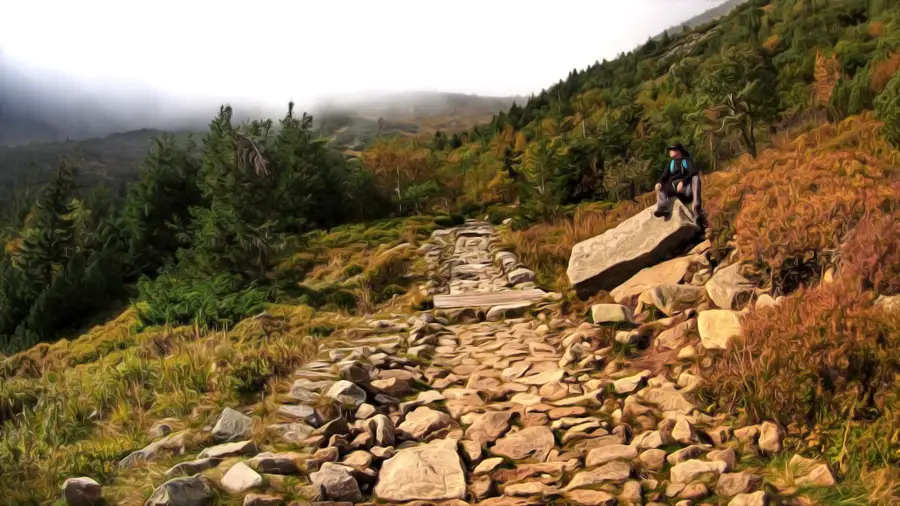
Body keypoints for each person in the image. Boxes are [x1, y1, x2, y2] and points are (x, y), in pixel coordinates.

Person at [653, 143, 703, 223]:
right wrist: (659, 183)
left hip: (686, 189)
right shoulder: (671, 164)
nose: (669, 151)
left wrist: (683, 182)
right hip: (673, 189)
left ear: (678, 151)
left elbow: (693, 172)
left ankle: (696, 208)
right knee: (660, 186)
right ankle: (662, 208)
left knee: (696, 178)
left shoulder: (686, 161)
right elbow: (664, 176)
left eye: (672, 149)